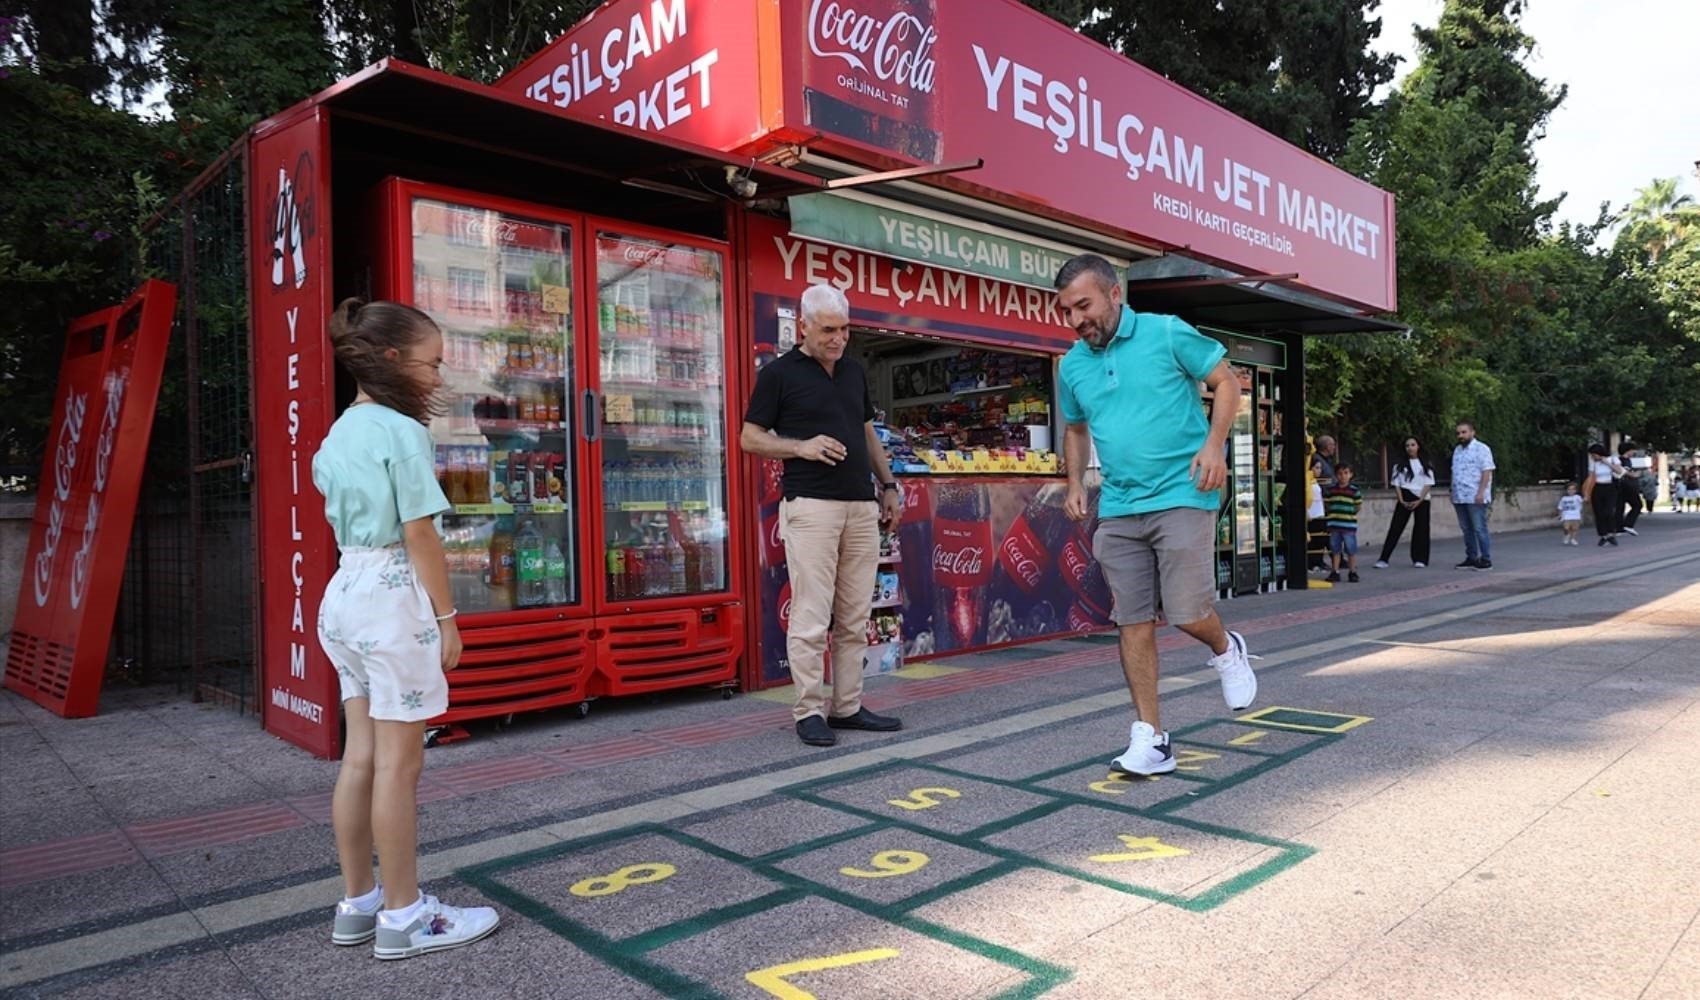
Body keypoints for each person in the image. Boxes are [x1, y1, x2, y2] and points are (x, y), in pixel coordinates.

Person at [312, 298, 499, 960]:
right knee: (400, 763)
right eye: (433, 362)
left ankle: (358, 903)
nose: (438, 376)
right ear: (393, 360)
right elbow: (419, 530)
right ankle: (406, 915)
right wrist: (447, 619)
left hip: (344, 594)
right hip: (394, 599)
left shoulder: (339, 432)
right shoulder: (401, 431)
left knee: (360, 754)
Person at [1053, 254, 1257, 777]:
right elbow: (1075, 429)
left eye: (1083, 305)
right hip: (1120, 504)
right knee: (1132, 620)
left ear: (1114, 294)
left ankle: (1225, 646)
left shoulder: (1166, 333)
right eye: (1066, 311)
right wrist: (1075, 480)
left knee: (1187, 612)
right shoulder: (1072, 364)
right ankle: (1152, 737)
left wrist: (1215, 445)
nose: (1076, 320)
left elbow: (1227, 382)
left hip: (1183, 492)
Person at [741, 283, 904, 747]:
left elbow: (867, 431)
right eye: (829, 329)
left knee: (855, 615)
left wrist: (888, 485)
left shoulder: (853, 371)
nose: (838, 338)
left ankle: (847, 706)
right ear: (804, 325)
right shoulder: (779, 374)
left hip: (860, 504)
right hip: (811, 506)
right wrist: (800, 446)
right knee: (812, 616)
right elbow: (749, 438)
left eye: (845, 329)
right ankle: (809, 710)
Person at [1375, 436, 1434, 568]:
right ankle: (1384, 558)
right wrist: (1401, 500)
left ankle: (1420, 559)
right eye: (1407, 445)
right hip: (1405, 495)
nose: (1410, 448)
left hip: (1422, 498)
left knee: (1422, 528)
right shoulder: (1399, 465)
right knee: (1396, 527)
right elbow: (1396, 484)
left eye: (1413, 445)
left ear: (1418, 446)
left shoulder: (1425, 463)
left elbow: (1428, 483)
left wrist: (1419, 500)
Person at [1450, 421, 1496, 570]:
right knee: (1466, 528)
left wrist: (1481, 492)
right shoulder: (1458, 450)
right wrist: (1452, 490)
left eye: (1464, 432)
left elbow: (1487, 471)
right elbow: (1454, 471)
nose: (1460, 436)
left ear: (1472, 432)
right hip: (1459, 496)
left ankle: (1486, 559)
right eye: (1458, 433)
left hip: (1475, 495)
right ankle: (1471, 557)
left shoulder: (1482, 449)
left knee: (1479, 528)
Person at [1324, 464, 1363, 583]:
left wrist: (1349, 513)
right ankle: (1335, 571)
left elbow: (1358, 506)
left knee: (1350, 549)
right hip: (1335, 525)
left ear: (1350, 475)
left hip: (1348, 525)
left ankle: (1352, 571)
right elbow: (1327, 504)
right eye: (1340, 473)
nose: (1343, 476)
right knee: (1335, 549)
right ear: (1336, 475)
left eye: (1346, 473)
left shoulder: (1354, 491)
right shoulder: (1331, 490)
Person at [1584, 443, 1622, 546]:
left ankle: (1610, 533)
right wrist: (1587, 493)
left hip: (1610, 487)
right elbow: (1591, 478)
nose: (1593, 457)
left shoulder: (1613, 459)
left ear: (1599, 453)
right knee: (1599, 513)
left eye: (1594, 455)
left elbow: (1619, 471)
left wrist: (1606, 463)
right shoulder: (1594, 463)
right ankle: (1603, 535)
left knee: (1608, 511)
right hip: (1598, 487)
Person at [1615, 442, 1643, 536]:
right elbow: (1624, 472)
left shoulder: (1621, 460)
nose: (1634, 452)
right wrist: (1634, 475)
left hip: (1619, 485)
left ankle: (1619, 528)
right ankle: (1628, 524)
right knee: (1637, 505)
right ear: (1628, 450)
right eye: (1633, 450)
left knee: (1620, 507)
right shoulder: (1624, 460)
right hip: (1627, 485)